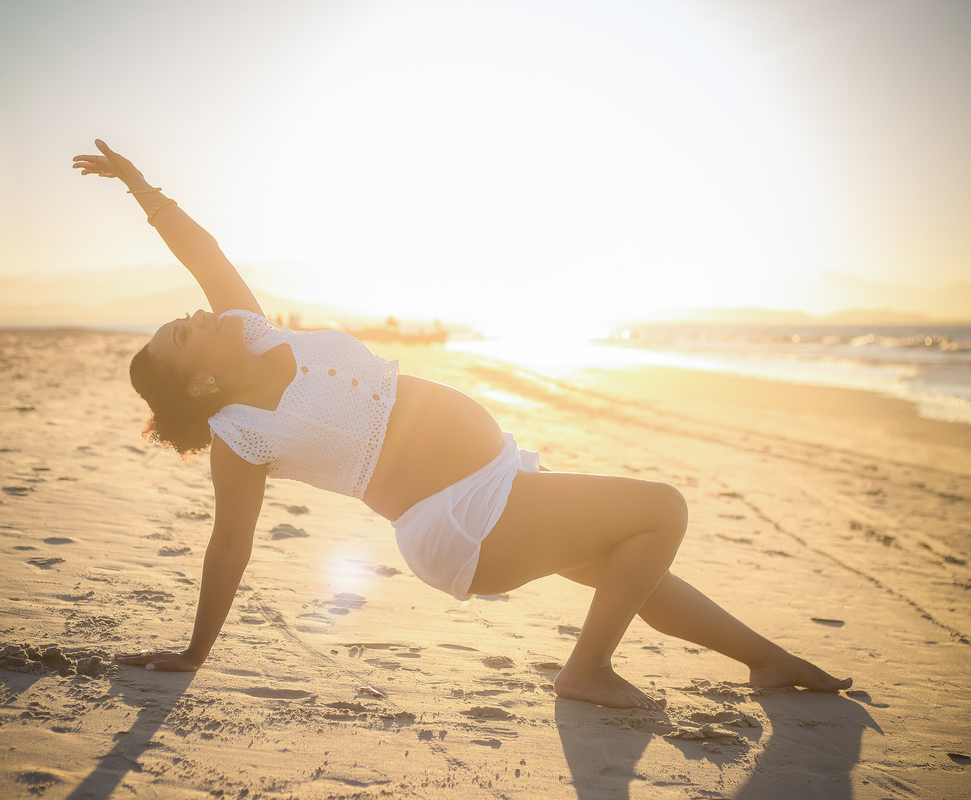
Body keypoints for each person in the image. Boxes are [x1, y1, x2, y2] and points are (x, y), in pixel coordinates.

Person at [73, 140, 852, 710]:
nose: (195, 314)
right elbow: (229, 548)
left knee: (632, 564)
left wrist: (139, 185)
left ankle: (766, 660)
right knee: (661, 511)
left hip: (498, 485)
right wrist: (193, 652)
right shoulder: (242, 435)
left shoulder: (254, 330)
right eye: (183, 334)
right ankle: (585, 672)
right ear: (201, 383)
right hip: (465, 520)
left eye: (183, 317)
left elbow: (202, 251)